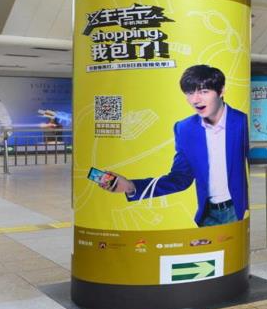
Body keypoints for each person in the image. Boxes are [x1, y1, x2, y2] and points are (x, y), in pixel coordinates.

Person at [105, 65, 248, 227]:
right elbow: (180, 178)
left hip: (237, 211)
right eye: (190, 93)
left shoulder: (242, 122)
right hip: (207, 216)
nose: (195, 100)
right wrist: (131, 187)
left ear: (221, 91)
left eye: (204, 91)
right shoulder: (185, 128)